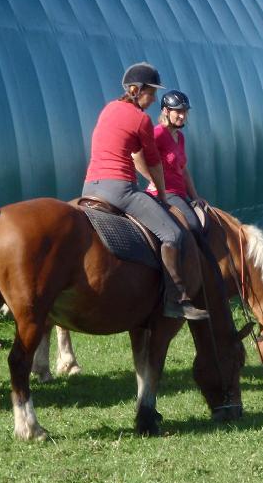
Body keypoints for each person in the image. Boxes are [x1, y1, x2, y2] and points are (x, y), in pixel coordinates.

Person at [82, 62, 208, 320]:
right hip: (119, 190)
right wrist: (161, 195)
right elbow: (153, 163)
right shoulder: (141, 120)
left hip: (90, 186)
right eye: (150, 93)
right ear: (134, 90)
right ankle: (176, 300)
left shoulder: (108, 109)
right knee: (172, 233)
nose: (152, 99)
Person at [137, 89, 205, 234]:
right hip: (166, 194)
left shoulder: (180, 137)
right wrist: (154, 180)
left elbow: (183, 170)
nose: (182, 115)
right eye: (178, 111)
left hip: (179, 194)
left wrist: (195, 197)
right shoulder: (158, 133)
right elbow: (137, 156)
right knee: (193, 225)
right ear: (166, 111)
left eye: (185, 111)